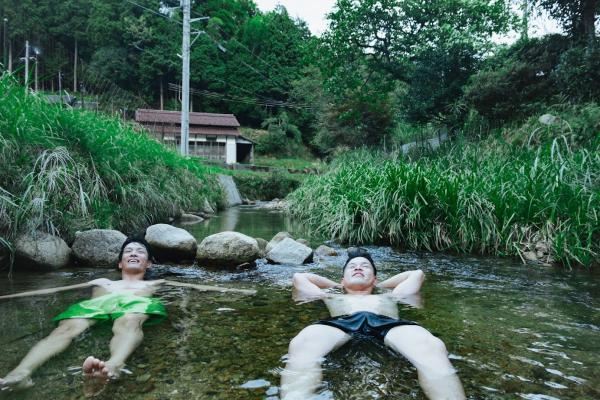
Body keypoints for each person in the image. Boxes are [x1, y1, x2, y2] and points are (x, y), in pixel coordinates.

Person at [0, 236, 255, 390]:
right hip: (98, 305)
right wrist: (9, 296)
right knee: (66, 328)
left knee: (129, 322)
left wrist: (239, 292)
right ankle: (21, 373)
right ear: (120, 263)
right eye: (128, 252)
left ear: (148, 263)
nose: (134, 253)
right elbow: (56, 290)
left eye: (140, 252)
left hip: (134, 305)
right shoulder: (101, 281)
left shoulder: (155, 284)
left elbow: (193, 286)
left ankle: (113, 366)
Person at [281, 249, 465, 400]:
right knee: (303, 341)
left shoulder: (389, 295)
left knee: (430, 345)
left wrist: (377, 285)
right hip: (342, 321)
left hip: (387, 323)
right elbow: (299, 278)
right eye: (352, 267)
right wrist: (341, 287)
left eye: (365, 266)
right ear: (342, 279)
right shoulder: (331, 295)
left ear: (375, 278)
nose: (358, 268)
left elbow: (416, 275)